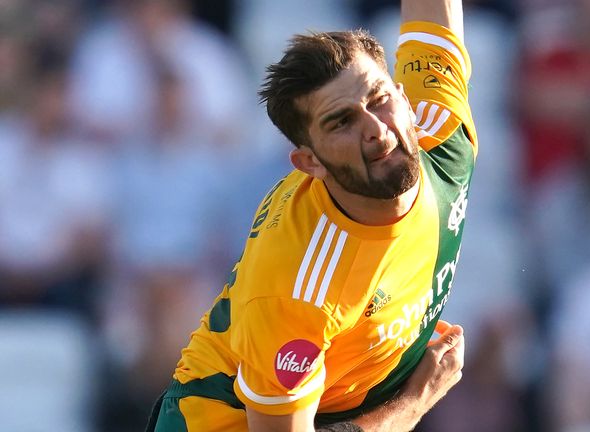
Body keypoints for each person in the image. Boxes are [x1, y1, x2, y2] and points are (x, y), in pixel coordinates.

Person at [145, 0, 478, 430]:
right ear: (309, 163)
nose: (375, 129)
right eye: (341, 122)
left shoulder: (444, 135)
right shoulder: (296, 288)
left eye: (378, 98)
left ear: (402, 95)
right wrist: (415, 402)